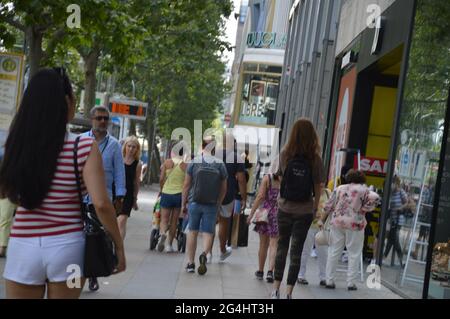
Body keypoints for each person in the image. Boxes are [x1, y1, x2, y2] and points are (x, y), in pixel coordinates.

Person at [0, 68, 125, 299]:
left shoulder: (16, 143)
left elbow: (4, 191)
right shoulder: (84, 147)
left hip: (22, 249)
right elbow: (101, 203)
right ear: (67, 101)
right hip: (70, 251)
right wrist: (118, 244)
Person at [271, 118, 324, 299]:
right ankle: (289, 293)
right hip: (304, 211)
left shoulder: (285, 153)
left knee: (281, 247)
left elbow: (278, 177)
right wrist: (315, 208)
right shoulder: (315, 158)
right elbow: (318, 186)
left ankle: (275, 290)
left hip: (284, 208)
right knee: (296, 251)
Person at [81, 105, 126, 292]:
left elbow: (119, 173)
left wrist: (120, 196)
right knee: (80, 239)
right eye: (99, 118)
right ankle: (82, 274)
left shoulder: (115, 145)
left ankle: (92, 274)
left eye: (105, 118)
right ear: (91, 119)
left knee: (95, 239)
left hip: (102, 199)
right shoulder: (81, 140)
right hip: (80, 199)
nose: (102, 121)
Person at [321, 169, 379, 290]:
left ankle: (329, 280)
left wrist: (322, 220)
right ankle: (350, 283)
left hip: (337, 222)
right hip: (355, 224)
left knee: (334, 251)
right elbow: (376, 198)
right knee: (354, 253)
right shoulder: (364, 190)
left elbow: (328, 205)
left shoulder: (340, 188)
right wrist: (364, 208)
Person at [182, 137, 228, 275]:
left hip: (194, 202)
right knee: (208, 232)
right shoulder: (220, 164)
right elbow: (224, 188)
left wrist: (183, 203)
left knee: (193, 231)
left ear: (202, 146)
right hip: (211, 204)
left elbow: (186, 185)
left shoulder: (194, 161)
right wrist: (218, 202)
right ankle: (204, 253)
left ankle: (190, 263)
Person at [209, 133, 247, 262]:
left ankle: (208, 252)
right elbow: (241, 180)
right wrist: (244, 198)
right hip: (228, 194)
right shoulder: (237, 158)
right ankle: (222, 251)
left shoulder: (214, 155)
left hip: (212, 192)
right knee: (224, 223)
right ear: (233, 143)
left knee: (212, 222)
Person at [247, 157, 280, 283]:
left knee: (263, 244)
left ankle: (260, 271)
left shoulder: (268, 178)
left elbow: (260, 196)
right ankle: (270, 271)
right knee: (274, 244)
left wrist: (251, 215)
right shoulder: (286, 180)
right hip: (279, 214)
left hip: (266, 214)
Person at [297, 184, 331, 287]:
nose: (320, 186)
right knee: (305, 251)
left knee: (323, 253)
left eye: (322, 183)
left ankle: (323, 277)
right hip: (309, 226)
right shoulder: (308, 192)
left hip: (322, 228)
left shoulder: (328, 193)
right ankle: (301, 275)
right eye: (318, 183)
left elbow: (331, 207)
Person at [158, 141, 188, 253]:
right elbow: (186, 183)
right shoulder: (185, 165)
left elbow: (161, 179)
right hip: (179, 195)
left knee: (164, 219)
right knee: (174, 220)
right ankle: (169, 245)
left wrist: (162, 189)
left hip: (166, 193)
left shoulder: (167, 163)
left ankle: (162, 233)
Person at [119, 136, 142, 240]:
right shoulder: (118, 159)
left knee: (122, 220)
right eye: (129, 146)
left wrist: (135, 199)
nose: (131, 149)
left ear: (137, 149)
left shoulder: (138, 164)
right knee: (114, 222)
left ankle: (118, 247)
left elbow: (136, 182)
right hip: (115, 193)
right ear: (125, 146)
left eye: (134, 147)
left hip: (128, 195)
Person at [383, 175, 408, 267]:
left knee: (394, 240)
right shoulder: (391, 193)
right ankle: (400, 261)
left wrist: (400, 208)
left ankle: (387, 257)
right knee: (391, 239)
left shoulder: (401, 192)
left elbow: (407, 203)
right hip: (392, 219)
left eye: (393, 183)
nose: (392, 185)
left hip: (398, 220)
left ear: (396, 183)